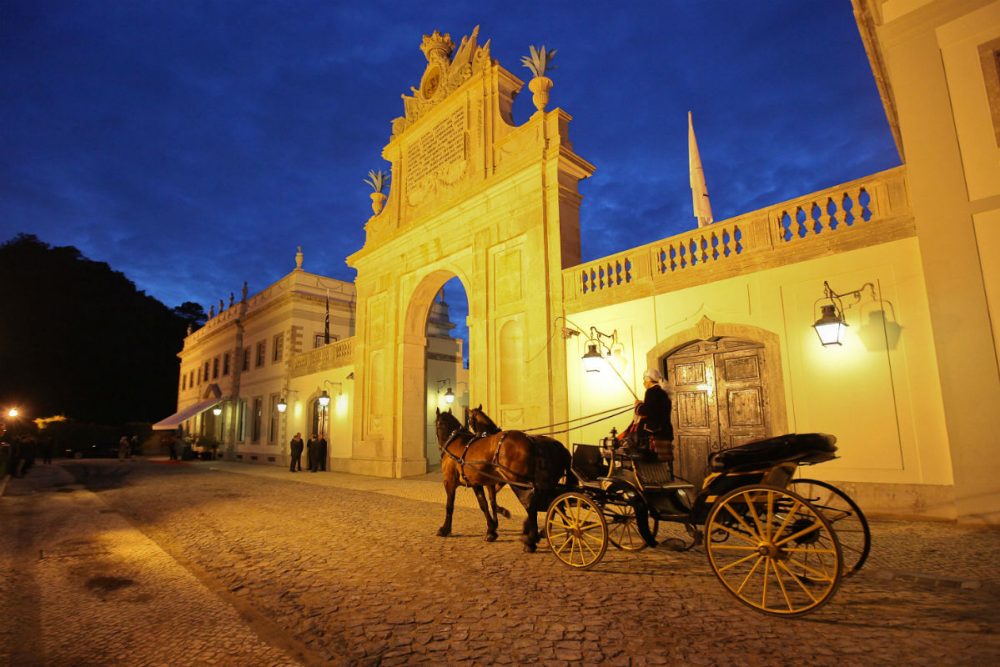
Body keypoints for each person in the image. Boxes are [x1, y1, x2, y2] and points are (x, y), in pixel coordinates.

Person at [634, 368, 674, 468]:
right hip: (664, 432)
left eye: (644, 380)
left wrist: (638, 406)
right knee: (662, 465)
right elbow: (655, 409)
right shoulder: (663, 392)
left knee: (650, 463)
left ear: (648, 379)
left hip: (652, 435)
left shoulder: (652, 391)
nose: (644, 383)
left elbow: (647, 411)